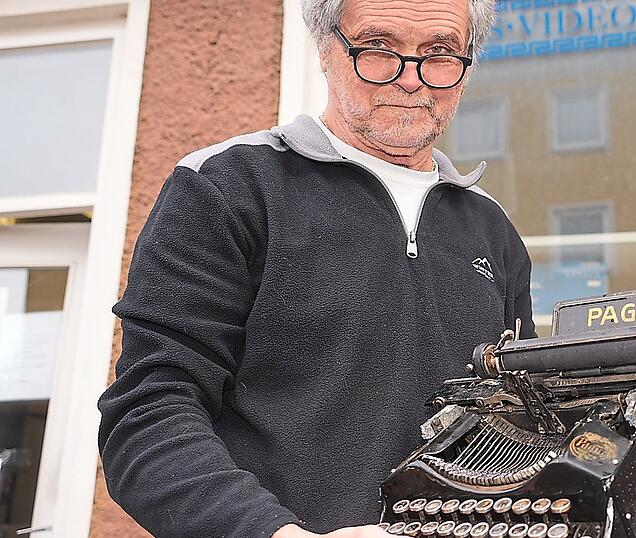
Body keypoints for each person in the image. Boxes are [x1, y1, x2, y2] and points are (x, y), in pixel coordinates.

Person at [97, 0, 535, 536]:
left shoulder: (493, 229)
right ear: (325, 50)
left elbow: (519, 418)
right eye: (378, 48)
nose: (410, 79)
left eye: (440, 53)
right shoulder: (226, 186)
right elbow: (149, 414)